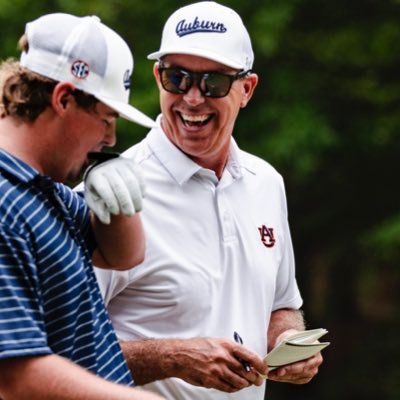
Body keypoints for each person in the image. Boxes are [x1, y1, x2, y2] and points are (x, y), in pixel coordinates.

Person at [94, 2, 324, 399]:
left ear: (247, 89)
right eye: (177, 78)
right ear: (157, 77)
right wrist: (175, 358)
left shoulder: (266, 183)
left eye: (213, 82)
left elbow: (278, 305)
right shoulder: (112, 193)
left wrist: (289, 340)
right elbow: (63, 347)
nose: (193, 98)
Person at [0, 12, 164, 400]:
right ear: (63, 99)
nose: (110, 138)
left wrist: (116, 198)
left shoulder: (44, 188)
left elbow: (123, 255)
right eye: (106, 119)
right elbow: (14, 377)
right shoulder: (5, 205)